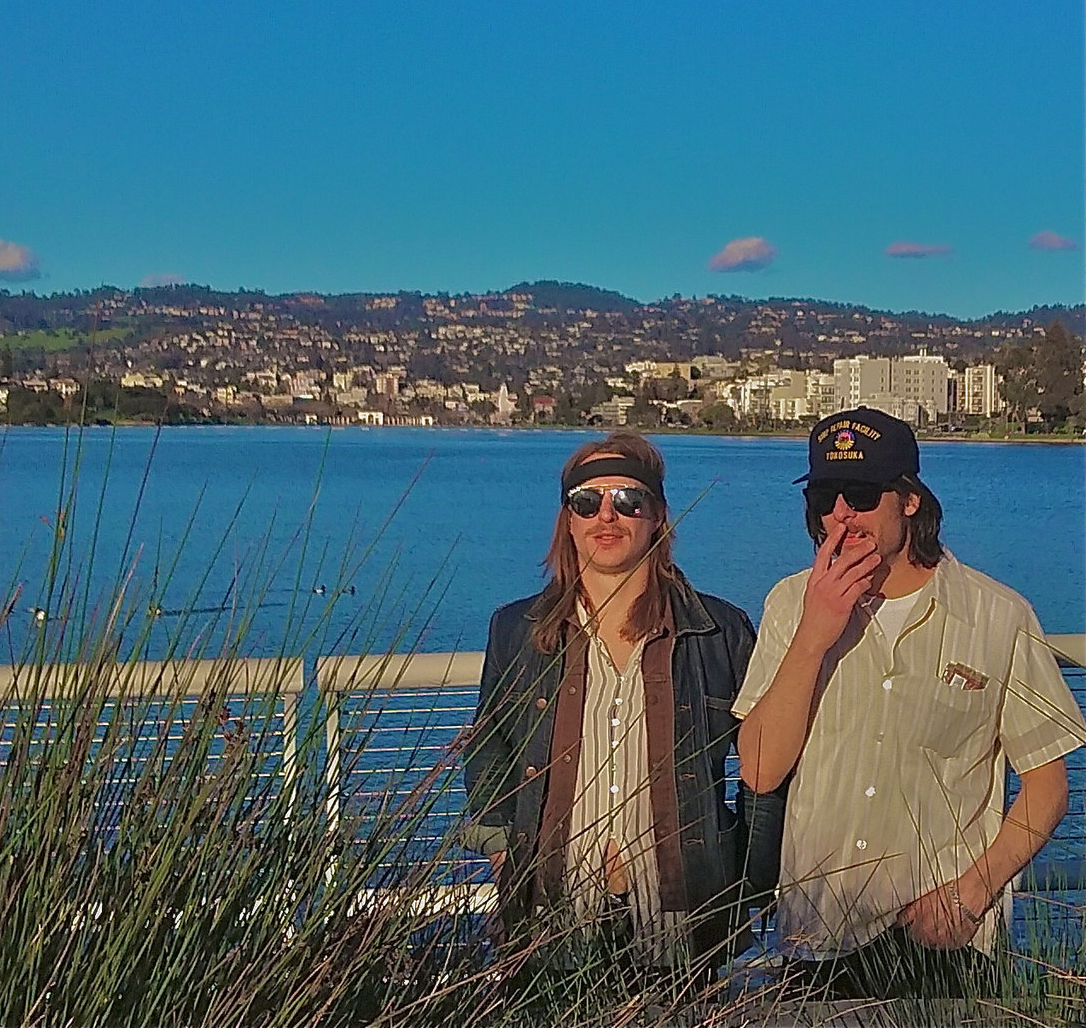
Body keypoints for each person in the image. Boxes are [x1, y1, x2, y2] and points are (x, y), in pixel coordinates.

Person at [734, 407, 1086, 998]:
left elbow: (1048, 786)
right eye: (824, 496)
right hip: (814, 939)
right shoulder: (790, 603)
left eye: (862, 494)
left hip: (944, 946)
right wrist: (813, 635)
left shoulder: (998, 616)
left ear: (910, 501)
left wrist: (973, 893)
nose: (841, 513)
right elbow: (760, 769)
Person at [463, 432, 784, 980]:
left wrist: (751, 882)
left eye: (629, 500)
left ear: (657, 516)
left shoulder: (718, 631)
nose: (606, 516)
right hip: (552, 921)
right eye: (587, 501)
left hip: (682, 920)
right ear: (568, 520)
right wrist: (502, 853)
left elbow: (764, 767)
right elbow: (490, 745)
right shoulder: (517, 630)